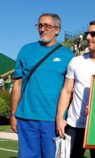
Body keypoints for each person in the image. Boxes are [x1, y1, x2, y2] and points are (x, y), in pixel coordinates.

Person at [10, 13, 74, 158]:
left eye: (47, 25)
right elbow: (17, 84)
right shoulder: (26, 50)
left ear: (57, 29)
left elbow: (70, 90)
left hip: (53, 120)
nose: (42, 29)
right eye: (40, 25)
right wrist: (13, 113)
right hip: (26, 118)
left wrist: (63, 118)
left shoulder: (68, 55)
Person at [56, 20, 95, 158]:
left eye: (93, 34)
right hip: (75, 125)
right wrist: (60, 117)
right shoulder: (76, 61)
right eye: (87, 33)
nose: (88, 37)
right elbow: (66, 90)